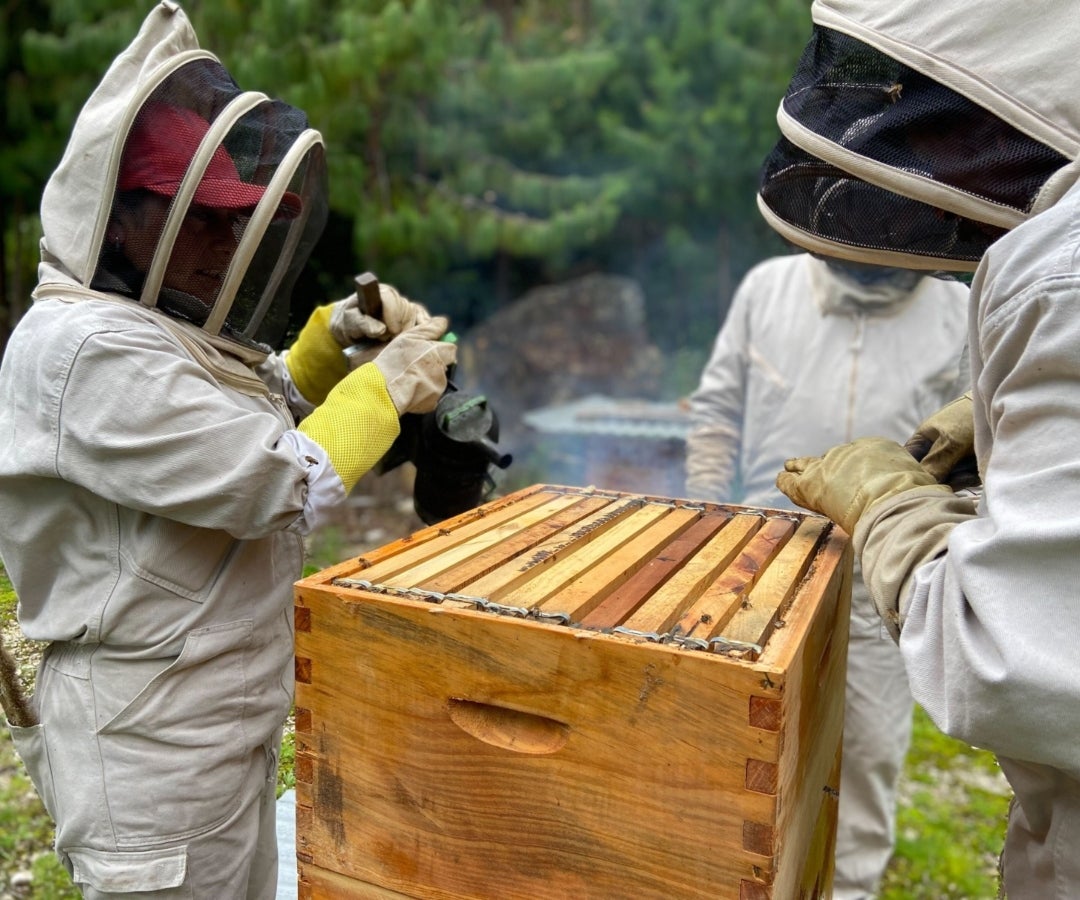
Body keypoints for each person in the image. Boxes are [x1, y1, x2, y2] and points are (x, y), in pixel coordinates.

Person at [0, 3, 456, 898]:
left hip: (208, 718)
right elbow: (274, 476)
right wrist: (387, 386)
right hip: (149, 744)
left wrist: (330, 345)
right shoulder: (85, 350)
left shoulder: (145, 332)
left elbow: (233, 419)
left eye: (235, 222)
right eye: (200, 219)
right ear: (121, 219)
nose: (226, 243)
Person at [757, 2, 1080, 896]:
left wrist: (889, 504)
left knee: (853, 778)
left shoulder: (1064, 267)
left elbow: (1007, 655)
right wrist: (1000, 432)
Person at [685, 252, 968, 899]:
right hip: (757, 574)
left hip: (882, 581)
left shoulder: (958, 313)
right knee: (736, 771)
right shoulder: (767, 287)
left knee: (862, 769)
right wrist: (713, 521)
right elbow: (717, 412)